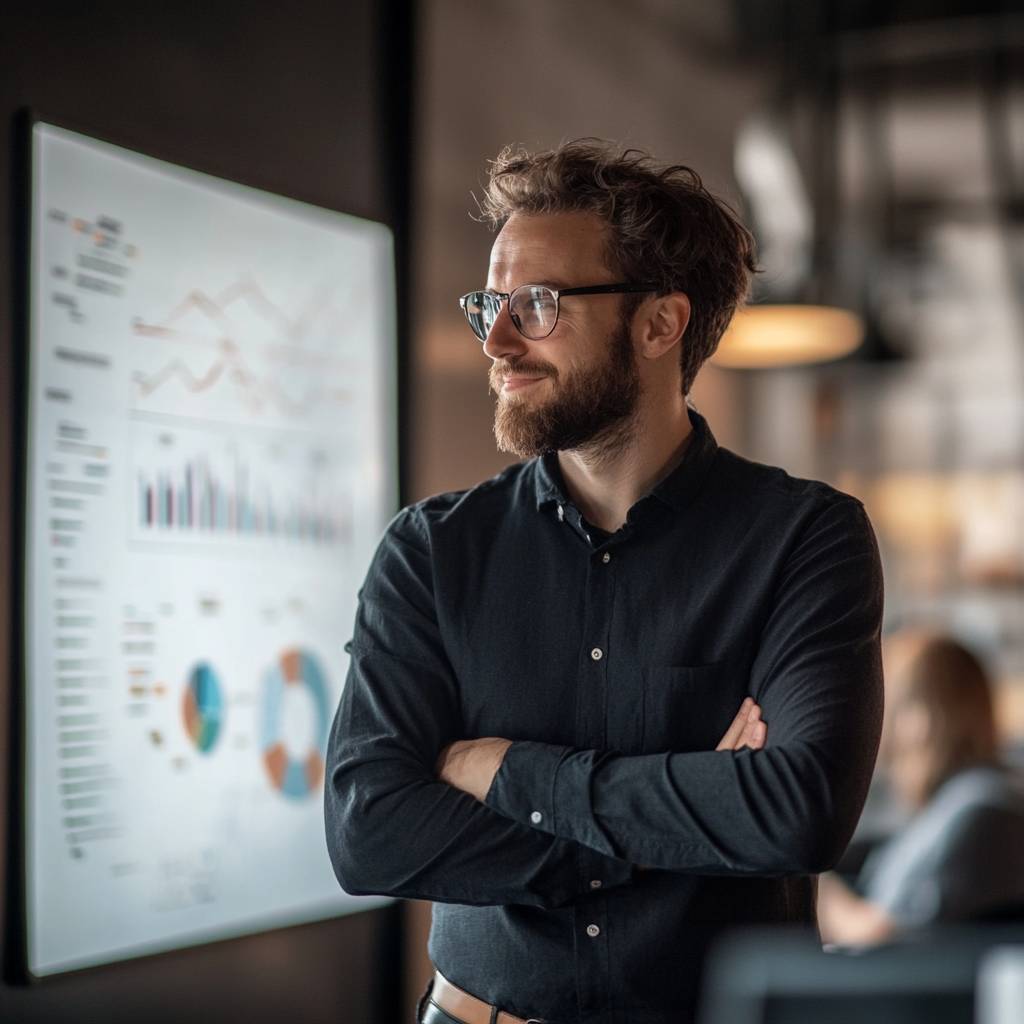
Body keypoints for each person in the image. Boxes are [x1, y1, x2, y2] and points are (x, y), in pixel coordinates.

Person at [324, 140, 885, 1024]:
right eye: (490, 304)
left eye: (537, 304)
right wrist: (687, 815)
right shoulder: (431, 550)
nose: (498, 340)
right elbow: (368, 834)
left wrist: (504, 771)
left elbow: (796, 816)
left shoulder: (803, 538)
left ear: (659, 325)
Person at [818, 630, 1024, 946]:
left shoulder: (981, 810)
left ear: (921, 721)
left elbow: (881, 940)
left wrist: (807, 880)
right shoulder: (956, 805)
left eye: (890, 704)